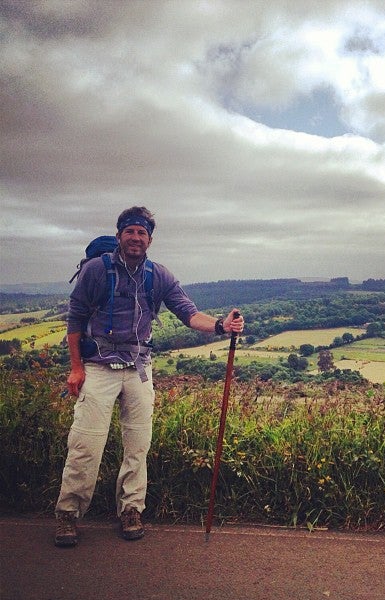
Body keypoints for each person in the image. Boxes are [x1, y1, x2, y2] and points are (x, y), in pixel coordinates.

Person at [54, 206, 244, 546]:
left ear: (150, 239)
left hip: (138, 367)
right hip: (98, 365)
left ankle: (131, 510)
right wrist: (76, 367)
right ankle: (68, 514)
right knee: (85, 443)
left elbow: (188, 313)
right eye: (130, 232)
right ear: (119, 236)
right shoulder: (97, 271)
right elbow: (75, 319)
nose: (136, 237)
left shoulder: (159, 275)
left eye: (142, 233)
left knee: (138, 444)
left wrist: (221, 326)